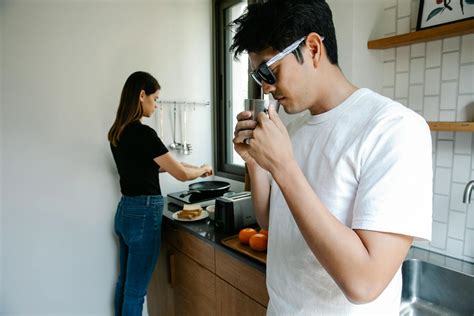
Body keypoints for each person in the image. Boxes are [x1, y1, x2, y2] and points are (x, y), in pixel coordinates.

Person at [231, 1, 432, 314]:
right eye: (259, 77)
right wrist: (257, 164)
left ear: (312, 48)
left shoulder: (395, 128)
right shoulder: (294, 129)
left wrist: (283, 167)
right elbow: (274, 222)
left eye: (270, 70)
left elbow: (364, 284)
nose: (267, 87)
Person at [108, 71, 213, 316]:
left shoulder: (117, 132)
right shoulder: (144, 134)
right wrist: (202, 170)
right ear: (141, 95)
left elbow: (166, 165)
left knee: (124, 284)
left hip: (125, 212)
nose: (156, 105)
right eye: (155, 99)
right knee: (136, 292)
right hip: (144, 215)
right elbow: (180, 174)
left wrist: (196, 168)